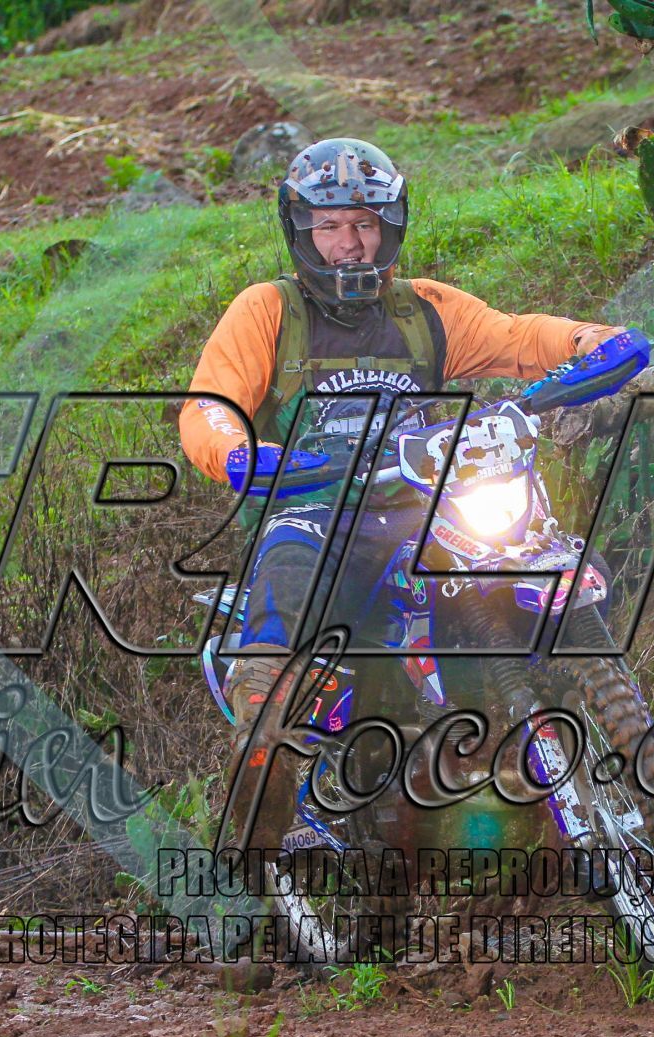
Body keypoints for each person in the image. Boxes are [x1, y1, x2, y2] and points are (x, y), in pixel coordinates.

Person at [179, 137, 629, 739]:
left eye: (364, 224)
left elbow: (518, 336)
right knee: (293, 561)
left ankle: (578, 693)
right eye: (329, 226)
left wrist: (590, 341)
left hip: (428, 507)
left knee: (556, 556)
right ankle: (265, 722)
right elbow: (210, 404)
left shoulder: (423, 309)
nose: (348, 244)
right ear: (300, 231)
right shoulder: (269, 311)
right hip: (318, 506)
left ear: (390, 227)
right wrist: (243, 456)